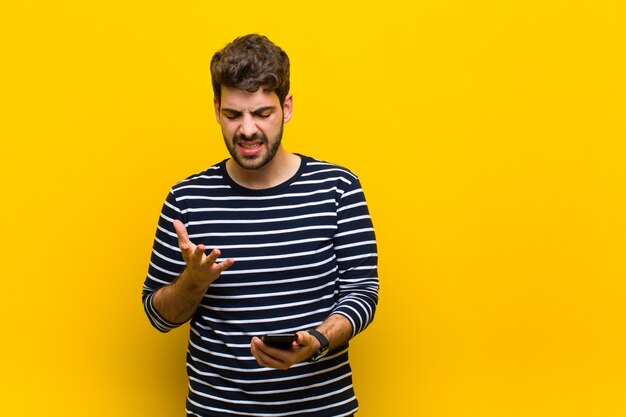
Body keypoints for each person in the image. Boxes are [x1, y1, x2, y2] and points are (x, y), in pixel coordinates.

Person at [142, 34, 379, 417]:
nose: (248, 130)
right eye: (234, 114)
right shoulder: (186, 199)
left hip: (322, 409)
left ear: (286, 107)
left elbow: (362, 290)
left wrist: (317, 340)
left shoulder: (338, 188)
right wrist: (193, 281)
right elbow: (157, 316)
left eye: (262, 113)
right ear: (217, 110)